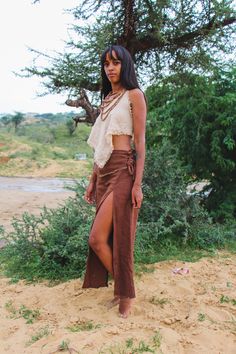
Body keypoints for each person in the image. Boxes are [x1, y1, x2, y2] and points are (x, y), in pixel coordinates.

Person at [82, 44, 147, 318]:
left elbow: (141, 142)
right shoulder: (107, 98)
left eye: (116, 63)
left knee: (99, 238)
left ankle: (126, 294)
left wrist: (137, 184)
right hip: (105, 171)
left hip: (123, 170)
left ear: (125, 66)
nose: (110, 68)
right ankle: (123, 291)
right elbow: (100, 146)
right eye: (107, 63)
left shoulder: (135, 95)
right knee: (100, 238)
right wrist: (92, 180)